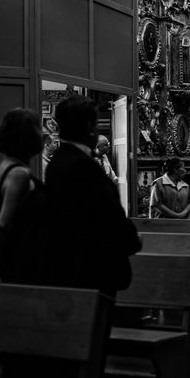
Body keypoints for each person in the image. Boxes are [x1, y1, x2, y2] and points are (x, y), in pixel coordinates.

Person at [44, 95, 141, 296]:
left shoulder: (57, 162)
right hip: (93, 271)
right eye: (96, 124)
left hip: (67, 269)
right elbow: (108, 215)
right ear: (89, 126)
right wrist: (131, 239)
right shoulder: (83, 167)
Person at [0, 108, 46, 284]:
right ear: (29, 136)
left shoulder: (6, 165)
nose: (43, 133)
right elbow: (2, 226)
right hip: (16, 263)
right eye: (38, 128)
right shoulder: (19, 174)